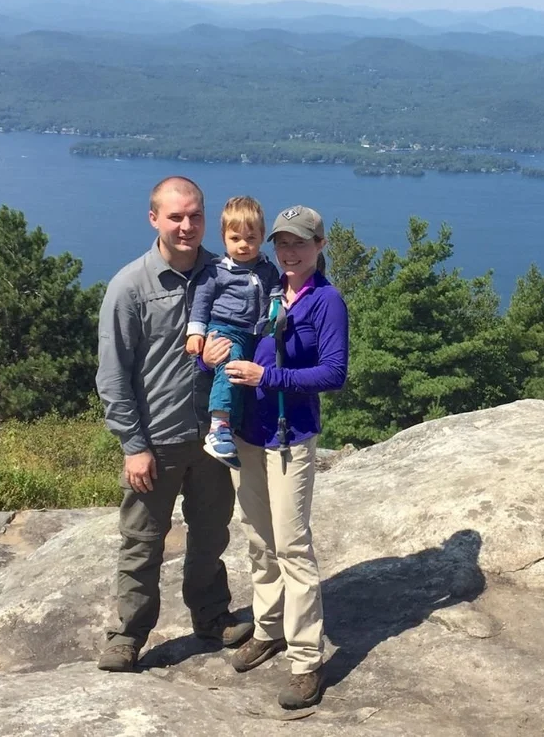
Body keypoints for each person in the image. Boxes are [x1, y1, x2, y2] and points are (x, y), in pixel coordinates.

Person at [94, 176, 254, 673]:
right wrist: (132, 444)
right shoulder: (130, 287)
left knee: (210, 535)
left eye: (195, 216)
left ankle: (211, 616)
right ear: (154, 219)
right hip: (156, 440)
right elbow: (112, 375)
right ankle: (128, 635)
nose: (187, 226)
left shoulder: (227, 273)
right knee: (142, 541)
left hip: (211, 437)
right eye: (175, 216)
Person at [201, 205, 349, 709]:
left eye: (299, 243)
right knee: (259, 540)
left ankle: (306, 660)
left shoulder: (325, 301)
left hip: (290, 437)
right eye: (282, 242)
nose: (289, 251)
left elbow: (333, 373)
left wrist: (269, 377)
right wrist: (210, 355)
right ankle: (268, 629)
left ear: (319, 245)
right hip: (247, 431)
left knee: (291, 546)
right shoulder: (264, 286)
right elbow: (228, 337)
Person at [186, 196, 281, 468]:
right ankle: (218, 427)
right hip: (225, 329)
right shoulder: (216, 271)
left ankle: (232, 427)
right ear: (224, 238)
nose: (243, 245)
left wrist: (278, 307)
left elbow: (275, 292)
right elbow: (201, 303)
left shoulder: (267, 269)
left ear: (262, 236)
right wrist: (195, 333)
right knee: (230, 370)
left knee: (242, 383)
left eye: (251, 238)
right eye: (235, 238)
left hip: (254, 334)